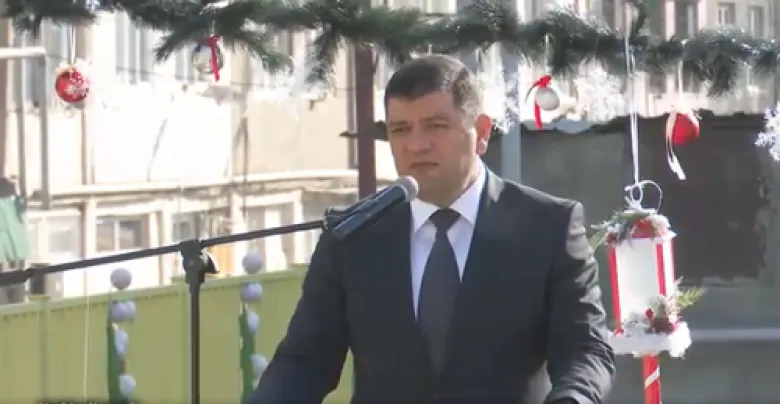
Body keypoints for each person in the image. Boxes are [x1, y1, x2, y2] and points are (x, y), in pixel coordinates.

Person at [247, 54, 615, 403]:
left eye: (436, 126)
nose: (416, 145)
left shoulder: (548, 227)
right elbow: (304, 361)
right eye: (400, 129)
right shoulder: (354, 236)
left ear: (481, 132)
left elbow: (585, 349)